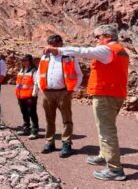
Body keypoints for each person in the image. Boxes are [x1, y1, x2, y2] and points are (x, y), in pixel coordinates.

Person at [41, 24, 129, 181]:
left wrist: (59, 50)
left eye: (98, 37)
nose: (95, 40)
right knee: (104, 129)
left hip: (106, 95)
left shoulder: (107, 49)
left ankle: (115, 169)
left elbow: (84, 51)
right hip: (115, 94)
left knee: (107, 132)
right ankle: (104, 155)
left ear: (107, 37)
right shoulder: (120, 50)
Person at [38, 34, 83, 158]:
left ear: (60, 44)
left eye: (54, 45)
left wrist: (72, 90)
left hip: (64, 92)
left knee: (66, 119)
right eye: (49, 45)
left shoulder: (69, 56)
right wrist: (41, 88)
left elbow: (79, 74)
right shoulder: (45, 57)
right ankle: (49, 142)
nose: (51, 48)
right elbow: (39, 73)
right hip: (47, 92)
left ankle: (66, 144)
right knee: (49, 119)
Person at [15, 54, 39, 140]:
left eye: (25, 60)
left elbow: (36, 83)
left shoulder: (34, 71)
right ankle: (26, 128)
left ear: (30, 61)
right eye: (22, 60)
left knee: (32, 112)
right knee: (24, 112)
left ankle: (35, 130)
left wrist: (34, 94)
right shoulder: (22, 70)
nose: (24, 62)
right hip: (21, 95)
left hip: (30, 96)